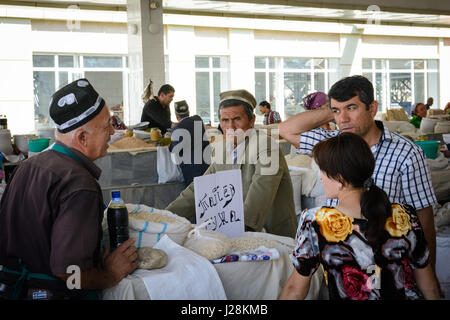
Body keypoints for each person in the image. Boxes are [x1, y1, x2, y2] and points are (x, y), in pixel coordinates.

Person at [279, 75, 439, 281]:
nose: (342, 119)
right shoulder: (332, 144)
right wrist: (333, 106)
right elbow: (286, 130)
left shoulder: (406, 153)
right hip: (340, 267)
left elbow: (424, 217)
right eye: (336, 111)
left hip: (390, 269)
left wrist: (429, 273)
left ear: (372, 109)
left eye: (352, 108)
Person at [0, 79, 138, 300]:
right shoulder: (80, 185)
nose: (112, 131)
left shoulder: (27, 167)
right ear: (82, 137)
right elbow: (68, 272)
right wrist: (109, 275)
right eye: (106, 126)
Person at [279, 133, 441, 300]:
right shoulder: (404, 216)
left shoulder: (317, 222)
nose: (321, 177)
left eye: (324, 172)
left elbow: (295, 290)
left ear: (339, 179)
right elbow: (429, 286)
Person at [166, 89, 297, 237]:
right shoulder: (223, 149)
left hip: (272, 234)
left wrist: (241, 228)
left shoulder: (266, 146)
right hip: (236, 230)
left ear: (252, 120)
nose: (231, 127)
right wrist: (166, 216)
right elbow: (199, 188)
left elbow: (262, 189)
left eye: (237, 119)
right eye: (225, 120)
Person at [169, 100, 210, 187]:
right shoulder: (198, 119)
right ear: (188, 112)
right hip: (207, 167)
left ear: (176, 117)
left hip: (191, 172)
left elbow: (175, 153)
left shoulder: (176, 130)